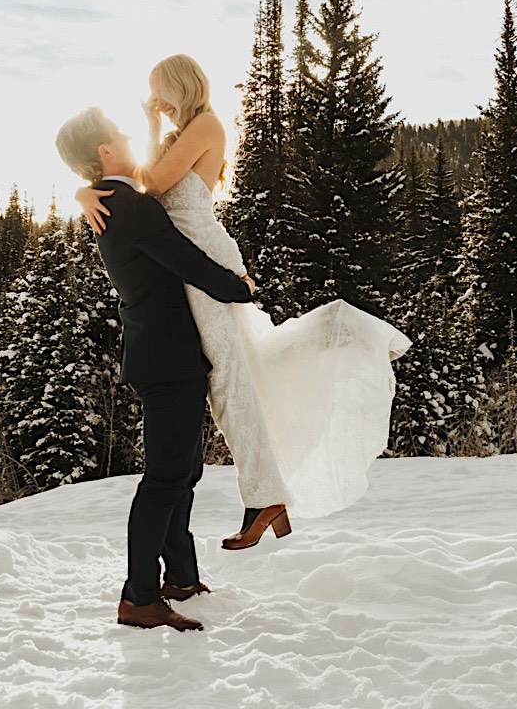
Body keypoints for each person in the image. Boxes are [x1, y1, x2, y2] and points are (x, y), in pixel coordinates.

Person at [75, 54, 409, 551]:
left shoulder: (206, 123)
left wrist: (91, 185)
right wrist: (89, 189)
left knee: (230, 376)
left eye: (159, 91)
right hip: (190, 262)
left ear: (182, 85)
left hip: (205, 257)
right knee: (237, 370)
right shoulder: (179, 135)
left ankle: (264, 496)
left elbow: (151, 186)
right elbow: (143, 185)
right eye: (150, 95)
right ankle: (266, 495)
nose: (156, 102)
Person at [54, 106, 257, 632]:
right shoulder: (127, 206)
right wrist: (238, 287)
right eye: (119, 133)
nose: (126, 136)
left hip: (165, 355)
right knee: (164, 479)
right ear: (103, 151)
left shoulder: (112, 200)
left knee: (182, 473)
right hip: (166, 359)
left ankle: (180, 577)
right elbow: (184, 258)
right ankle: (140, 597)